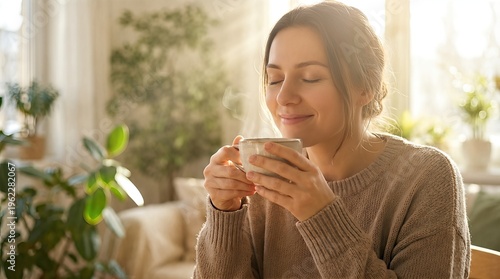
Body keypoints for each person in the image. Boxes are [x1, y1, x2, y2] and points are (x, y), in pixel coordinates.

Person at [194, 1, 470, 278]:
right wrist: (224, 214)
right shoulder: (264, 180)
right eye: (275, 79)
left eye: (311, 77)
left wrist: (322, 215)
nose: (283, 97)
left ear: (366, 87)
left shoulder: (426, 177)